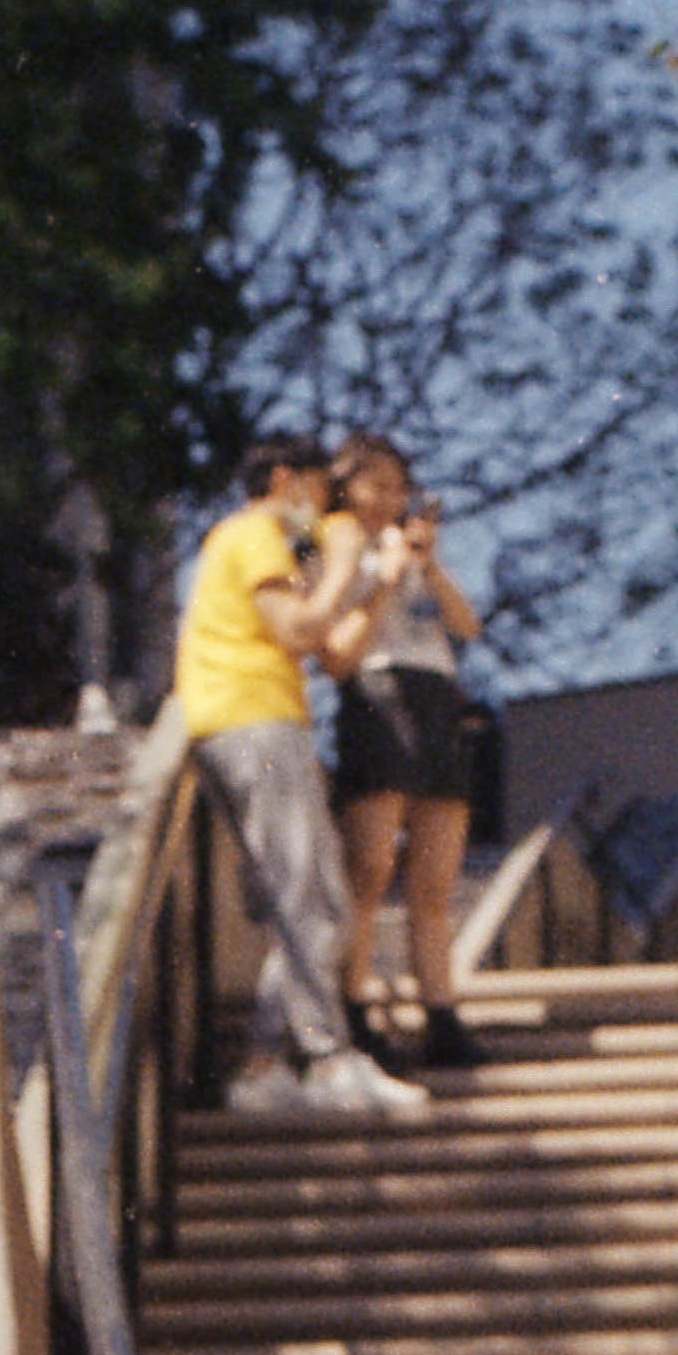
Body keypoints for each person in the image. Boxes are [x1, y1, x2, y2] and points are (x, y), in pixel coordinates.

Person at [173, 435, 424, 1121]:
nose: (318, 515)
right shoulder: (254, 532)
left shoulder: (240, 540)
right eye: (316, 493)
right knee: (313, 896)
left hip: (246, 720)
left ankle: (269, 1065)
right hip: (251, 720)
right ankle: (323, 1059)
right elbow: (298, 629)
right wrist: (344, 562)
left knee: (306, 899)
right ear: (285, 480)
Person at [321, 437, 487, 1077]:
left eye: (400, 487)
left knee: (436, 878)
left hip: (434, 691)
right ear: (347, 484)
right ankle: (354, 1006)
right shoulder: (327, 544)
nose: (391, 498)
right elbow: (335, 650)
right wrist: (382, 584)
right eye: (378, 484)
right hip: (376, 689)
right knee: (369, 865)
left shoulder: (412, 548)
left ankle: (441, 1012)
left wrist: (429, 566)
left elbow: (467, 627)